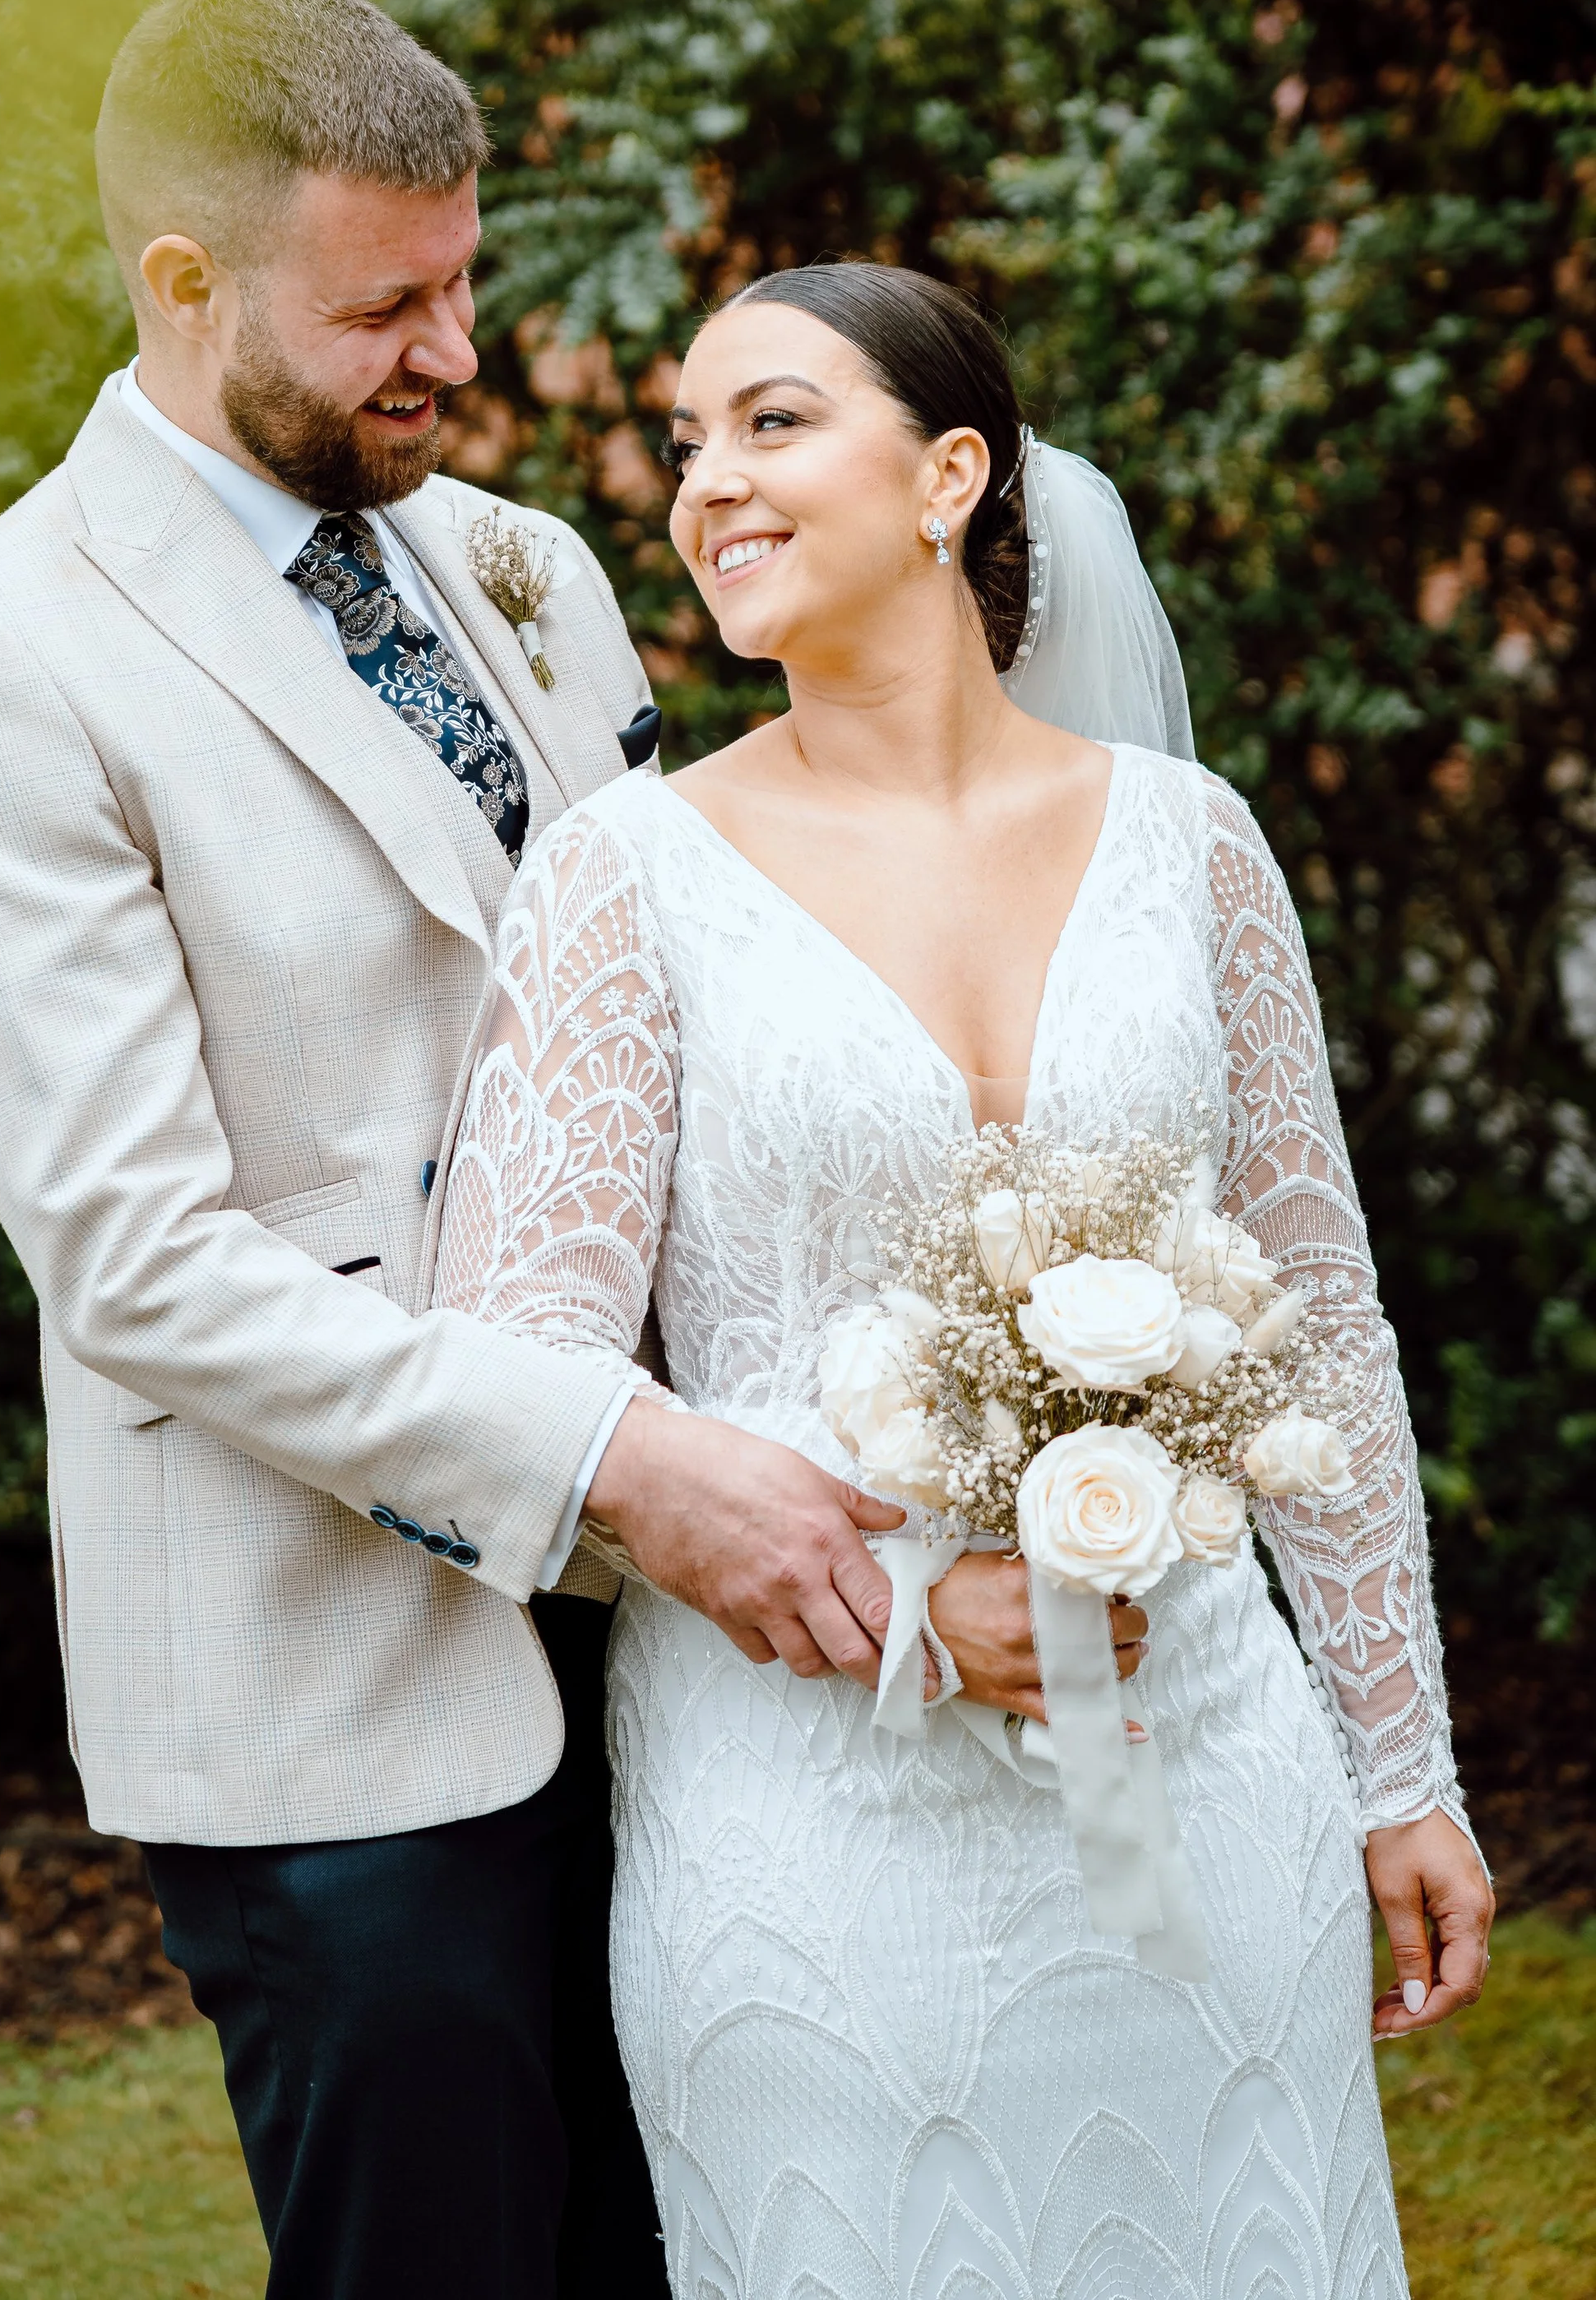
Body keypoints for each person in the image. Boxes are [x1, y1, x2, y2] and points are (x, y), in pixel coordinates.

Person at [0, 0, 910, 2300]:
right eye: (384, 306)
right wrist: (614, 1455)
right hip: (329, 1692)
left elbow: (680, 1022)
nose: (454, 349)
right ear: (183, 278)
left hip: (675, 1670)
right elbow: (140, 1263)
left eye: (462, 280)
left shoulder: (514, 565)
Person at [433, 260, 1494, 2298]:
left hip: (1204, 1766)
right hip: (816, 1827)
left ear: (946, 476)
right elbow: (519, 1380)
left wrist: (1400, 1773)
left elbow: (1319, 1325)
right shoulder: (618, 875)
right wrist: (907, 1614)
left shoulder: (1194, 848)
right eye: (680, 444)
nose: (702, 486)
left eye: (768, 422)